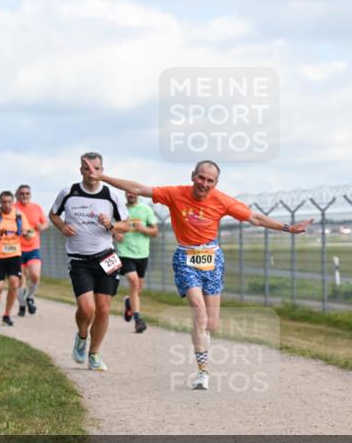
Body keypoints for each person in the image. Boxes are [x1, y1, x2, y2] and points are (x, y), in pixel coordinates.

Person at [92, 160, 312, 390]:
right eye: (201, 178)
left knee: (212, 323)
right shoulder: (175, 194)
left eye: (210, 181)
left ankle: (203, 351)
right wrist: (103, 177)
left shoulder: (222, 200)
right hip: (186, 259)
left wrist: (287, 228)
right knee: (199, 312)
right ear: (193, 176)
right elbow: (138, 188)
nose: (204, 184)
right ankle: (202, 372)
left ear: (216, 183)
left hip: (212, 260)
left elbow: (254, 218)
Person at [49, 153, 129, 371]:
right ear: (81, 170)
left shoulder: (110, 194)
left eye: (97, 168)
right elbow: (54, 215)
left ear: (102, 170)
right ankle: (82, 336)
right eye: (88, 168)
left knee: (103, 310)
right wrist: (62, 226)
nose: (92, 173)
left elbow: (127, 225)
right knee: (87, 309)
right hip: (79, 259)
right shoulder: (69, 192)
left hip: (106, 257)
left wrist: (111, 225)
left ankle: (94, 353)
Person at [0, 191, 32, 326]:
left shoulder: (19, 215)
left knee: (14, 283)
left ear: (13, 201)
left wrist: (27, 234)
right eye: (4, 202)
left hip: (14, 254)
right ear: (0, 202)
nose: (7, 205)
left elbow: (29, 232)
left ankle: (6, 315)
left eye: (9, 202)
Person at [115, 190, 158, 333]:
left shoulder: (146, 209)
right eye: (128, 193)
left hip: (142, 254)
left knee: (138, 289)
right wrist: (116, 234)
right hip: (125, 253)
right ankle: (138, 320)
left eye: (134, 193)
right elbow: (111, 227)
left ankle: (129, 302)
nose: (131, 195)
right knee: (133, 282)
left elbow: (155, 232)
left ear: (138, 195)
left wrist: (143, 228)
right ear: (125, 194)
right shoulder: (120, 209)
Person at [16, 184, 49, 317]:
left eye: (27, 193)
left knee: (35, 275)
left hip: (33, 248)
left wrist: (41, 226)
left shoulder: (36, 208)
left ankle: (30, 297)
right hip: (16, 249)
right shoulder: (13, 208)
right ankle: (22, 305)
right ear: (18, 194)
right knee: (19, 280)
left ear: (30, 195)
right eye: (22, 193)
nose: (25, 195)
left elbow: (45, 223)